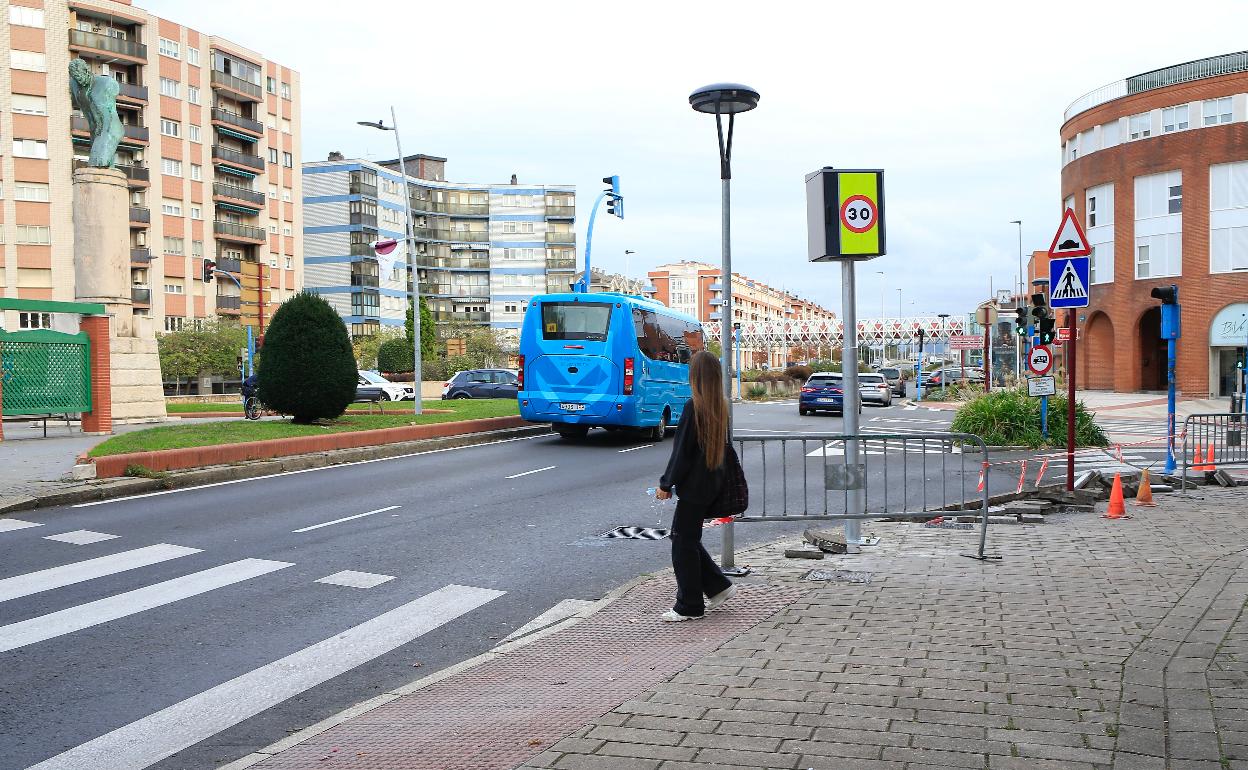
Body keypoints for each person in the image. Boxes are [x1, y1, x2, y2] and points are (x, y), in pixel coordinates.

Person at [655, 350, 737, 622]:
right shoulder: (719, 406)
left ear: (696, 377)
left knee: (681, 543)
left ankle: (689, 606)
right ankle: (718, 587)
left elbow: (682, 452)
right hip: (710, 484)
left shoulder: (694, 406)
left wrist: (666, 483)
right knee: (687, 539)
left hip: (694, 488)